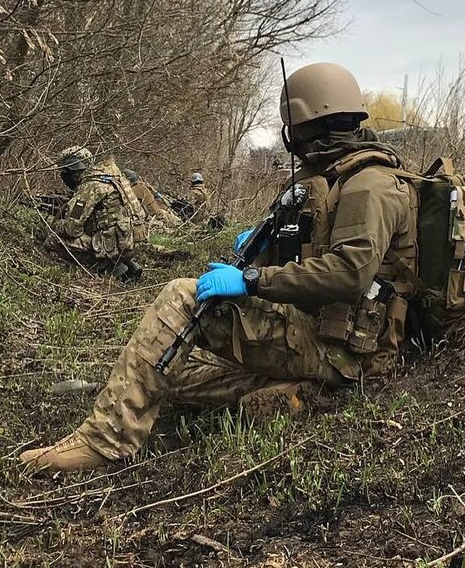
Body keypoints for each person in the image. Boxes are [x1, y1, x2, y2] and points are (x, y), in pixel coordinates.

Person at [21, 63, 416, 472]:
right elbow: (308, 259)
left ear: (302, 124)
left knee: (182, 298)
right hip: (325, 339)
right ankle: (297, 394)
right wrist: (264, 249)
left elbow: (348, 274)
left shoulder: (371, 184)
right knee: (174, 369)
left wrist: (250, 280)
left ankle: (103, 442)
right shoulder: (329, 180)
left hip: (346, 351)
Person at [46, 146, 147, 281]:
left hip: (118, 244)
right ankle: (127, 264)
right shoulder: (115, 177)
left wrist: (54, 224)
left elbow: (72, 229)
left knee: (53, 241)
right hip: (134, 241)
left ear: (73, 170)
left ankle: (109, 267)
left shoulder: (89, 186)